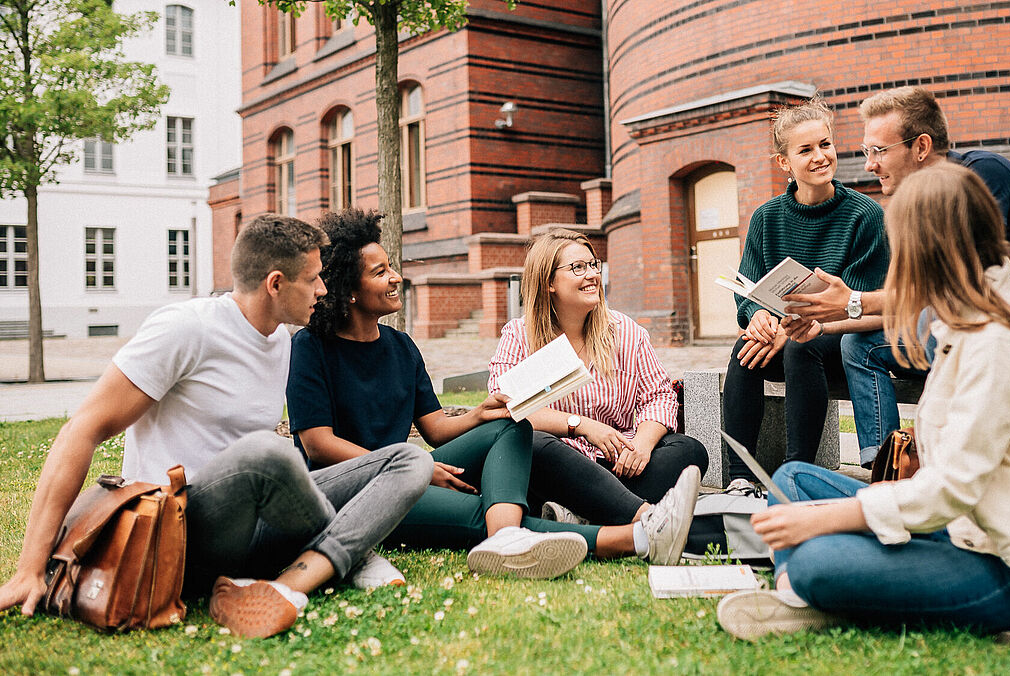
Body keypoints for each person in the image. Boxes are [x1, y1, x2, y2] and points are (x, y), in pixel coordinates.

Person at [0, 215, 435, 639]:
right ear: (276, 283)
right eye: (314, 279)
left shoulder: (281, 339)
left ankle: (287, 584)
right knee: (266, 453)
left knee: (409, 460)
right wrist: (29, 569)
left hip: (251, 530)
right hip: (177, 532)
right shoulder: (187, 328)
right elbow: (83, 429)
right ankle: (354, 559)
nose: (324, 290)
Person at [718, 163, 1010, 639]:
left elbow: (950, 489)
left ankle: (808, 587)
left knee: (814, 557)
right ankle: (816, 593)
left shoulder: (999, 340)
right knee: (793, 480)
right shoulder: (967, 305)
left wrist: (826, 521)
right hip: (955, 526)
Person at [287, 209, 699, 573]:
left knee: (513, 424)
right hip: (349, 488)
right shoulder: (310, 348)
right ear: (348, 289)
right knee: (482, 510)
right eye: (380, 272)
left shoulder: (400, 346)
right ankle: (638, 533)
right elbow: (319, 445)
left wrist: (480, 414)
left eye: (391, 266)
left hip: (410, 470)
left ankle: (507, 539)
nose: (396, 277)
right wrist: (411, 467)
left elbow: (434, 430)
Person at [784, 86, 1010, 468]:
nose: (869, 165)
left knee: (953, 328)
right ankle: (888, 466)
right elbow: (916, 301)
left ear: (921, 146)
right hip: (990, 326)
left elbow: (956, 289)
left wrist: (852, 300)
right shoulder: (917, 202)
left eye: (879, 151)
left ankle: (953, 463)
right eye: (867, 152)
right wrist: (824, 324)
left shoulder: (978, 175)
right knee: (860, 346)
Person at [721, 96, 889, 491]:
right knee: (744, 348)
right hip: (785, 334)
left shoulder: (864, 216)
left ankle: (793, 476)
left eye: (825, 144)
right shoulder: (767, 217)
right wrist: (756, 316)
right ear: (785, 162)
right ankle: (739, 479)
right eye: (806, 149)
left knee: (800, 346)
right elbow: (748, 288)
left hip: (838, 340)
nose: (819, 156)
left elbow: (858, 298)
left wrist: (793, 328)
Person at [488, 228, 708, 524]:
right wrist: (582, 426)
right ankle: (632, 513)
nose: (592, 274)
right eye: (578, 267)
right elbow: (508, 406)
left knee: (689, 450)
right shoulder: (519, 336)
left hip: (619, 463)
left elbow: (658, 396)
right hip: (558, 462)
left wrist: (642, 445)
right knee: (533, 446)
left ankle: (578, 513)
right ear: (548, 282)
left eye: (593, 265)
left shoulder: (626, 331)